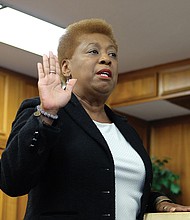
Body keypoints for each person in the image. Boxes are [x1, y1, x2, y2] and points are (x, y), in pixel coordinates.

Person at [0, 18, 190, 220]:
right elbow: (12, 180)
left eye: (113, 54)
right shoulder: (43, 112)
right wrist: (47, 113)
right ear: (66, 67)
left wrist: (160, 202)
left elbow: (116, 187)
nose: (106, 59)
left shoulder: (126, 130)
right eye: (93, 51)